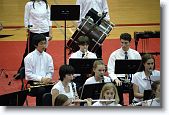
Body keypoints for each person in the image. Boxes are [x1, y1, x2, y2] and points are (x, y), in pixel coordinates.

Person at [14, 0, 52, 79]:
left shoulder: (46, 5)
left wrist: (50, 32)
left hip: (44, 30)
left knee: (43, 51)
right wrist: (27, 28)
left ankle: (41, 72)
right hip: (33, 31)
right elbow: (26, 18)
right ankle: (22, 71)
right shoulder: (29, 4)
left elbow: (49, 19)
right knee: (28, 51)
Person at [24, 34, 54, 106]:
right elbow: (28, 74)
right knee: (41, 90)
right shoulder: (29, 57)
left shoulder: (48, 56)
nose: (44, 46)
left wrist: (48, 78)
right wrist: (41, 79)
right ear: (35, 45)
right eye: (41, 44)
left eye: (44, 43)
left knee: (55, 88)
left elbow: (50, 71)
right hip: (33, 83)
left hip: (46, 81)